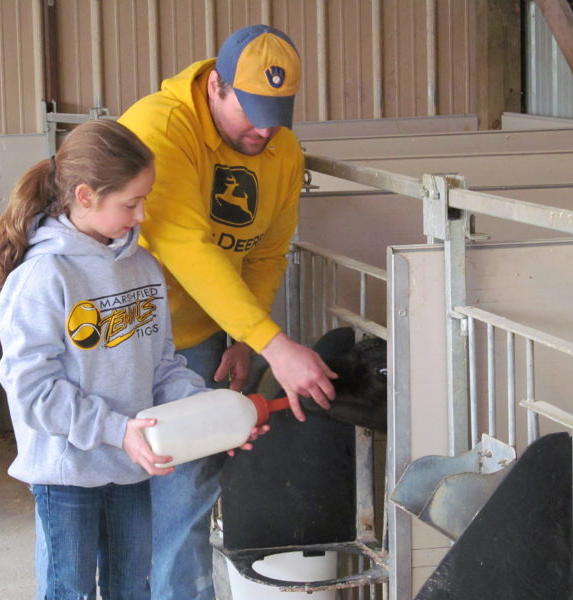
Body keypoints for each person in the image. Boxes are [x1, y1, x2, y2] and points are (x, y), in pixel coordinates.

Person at [119, 24, 337, 600]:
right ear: (215, 85)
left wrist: (239, 338)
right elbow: (185, 247)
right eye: (253, 111)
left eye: (278, 113)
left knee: (186, 495)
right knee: (111, 494)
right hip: (122, 338)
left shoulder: (281, 151)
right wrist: (272, 342)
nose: (264, 129)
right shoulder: (159, 128)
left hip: (198, 340)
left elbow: (265, 252)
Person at [0, 119, 209, 600]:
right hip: (67, 474)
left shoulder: (143, 267)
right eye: (131, 203)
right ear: (85, 196)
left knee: (133, 589)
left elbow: (162, 364)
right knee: (71, 592)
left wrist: (208, 416)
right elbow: (32, 392)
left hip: (130, 467)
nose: (143, 215)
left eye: (145, 199)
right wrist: (115, 430)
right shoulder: (44, 276)